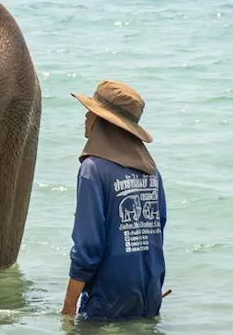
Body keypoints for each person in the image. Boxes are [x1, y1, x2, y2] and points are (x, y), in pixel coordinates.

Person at [61, 80, 168, 320]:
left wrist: (68, 309)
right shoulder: (152, 172)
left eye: (91, 112)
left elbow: (88, 247)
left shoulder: (93, 169)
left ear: (104, 122)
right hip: (150, 295)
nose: (86, 118)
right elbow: (157, 231)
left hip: (108, 300)